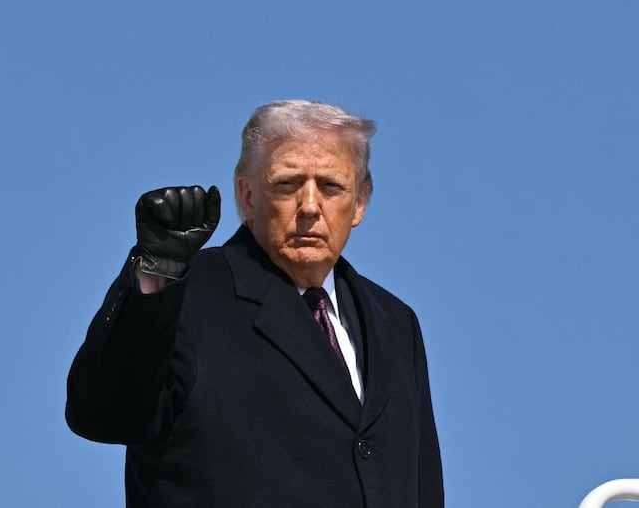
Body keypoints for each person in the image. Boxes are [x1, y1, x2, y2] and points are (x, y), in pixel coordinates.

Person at [66, 100, 444, 507]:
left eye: (331, 186)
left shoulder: (395, 322)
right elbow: (105, 414)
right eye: (288, 184)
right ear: (247, 197)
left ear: (360, 202)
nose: (310, 206)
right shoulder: (183, 293)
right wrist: (157, 273)